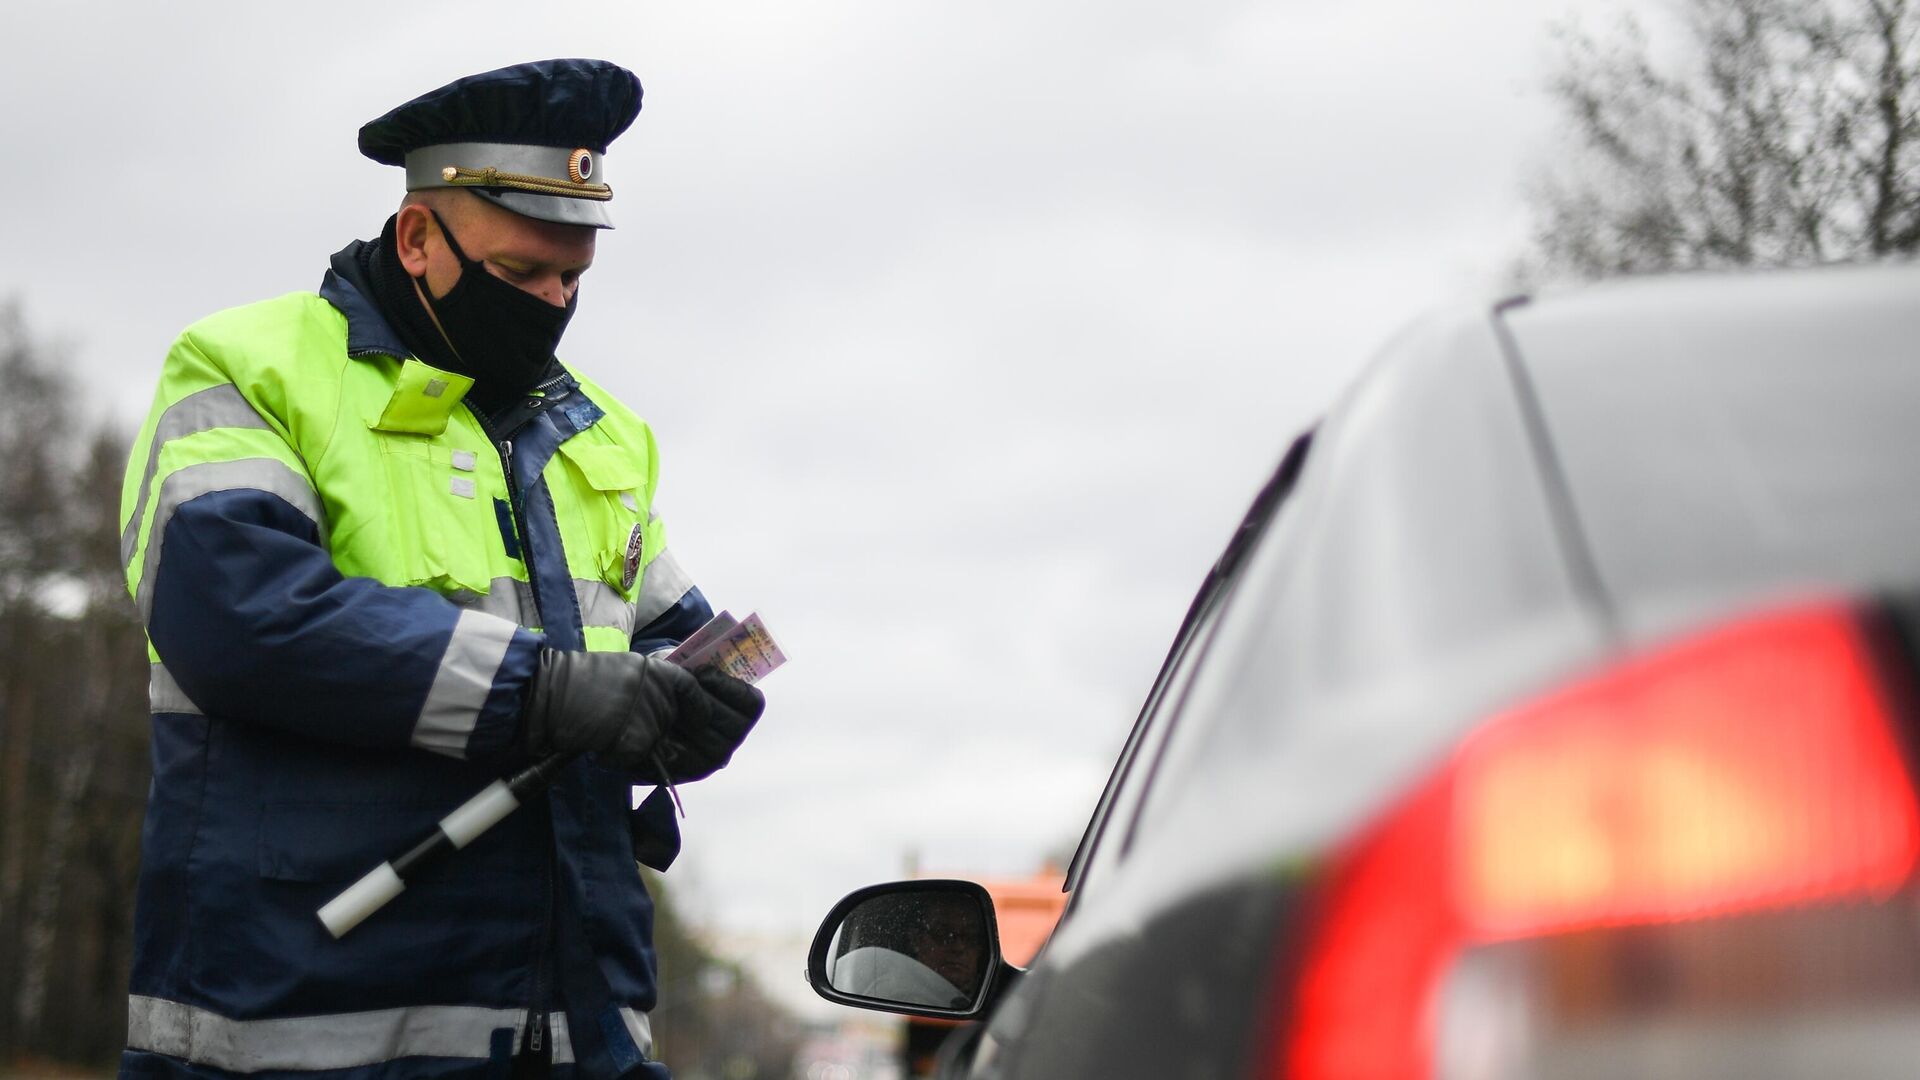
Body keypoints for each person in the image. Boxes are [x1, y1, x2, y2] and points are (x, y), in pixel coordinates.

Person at [115, 59, 762, 1080]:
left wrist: (694, 711)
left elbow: (662, 643)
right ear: (419, 237)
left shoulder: (603, 435)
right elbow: (236, 619)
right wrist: (542, 692)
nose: (552, 303)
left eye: (573, 281)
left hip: (586, 1032)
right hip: (301, 1031)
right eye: (521, 276)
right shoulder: (249, 368)